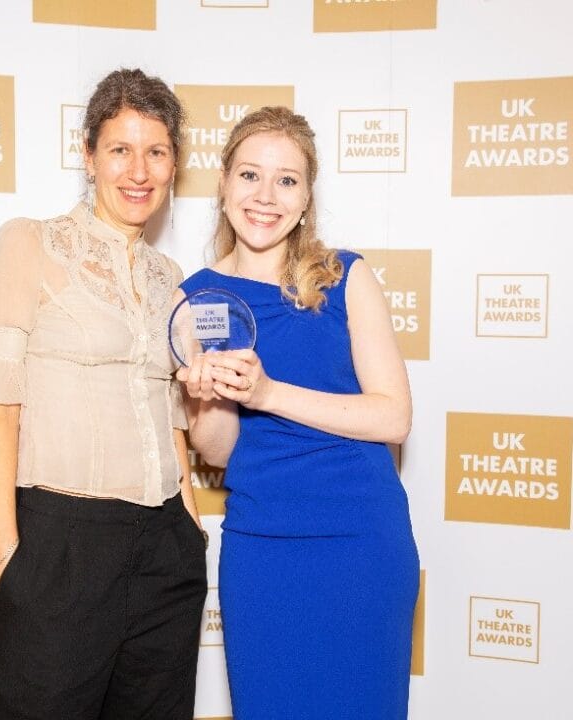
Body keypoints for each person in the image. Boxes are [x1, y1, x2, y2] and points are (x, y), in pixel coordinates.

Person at [0, 68, 207, 720]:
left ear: (174, 164)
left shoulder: (171, 279)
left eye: (156, 151)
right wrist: (5, 557)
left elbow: (172, 414)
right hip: (61, 545)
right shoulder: (31, 244)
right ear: (88, 155)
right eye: (120, 149)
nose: (139, 170)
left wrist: (188, 525)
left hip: (164, 548)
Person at [177, 106, 419, 719]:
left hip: (361, 541)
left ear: (307, 196)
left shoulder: (346, 277)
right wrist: (210, 395)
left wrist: (269, 393)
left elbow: (394, 418)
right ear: (225, 184)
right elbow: (219, 450)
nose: (266, 196)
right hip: (264, 547)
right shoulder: (197, 299)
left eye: (286, 180)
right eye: (250, 175)